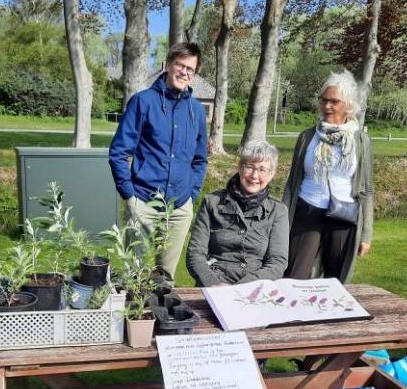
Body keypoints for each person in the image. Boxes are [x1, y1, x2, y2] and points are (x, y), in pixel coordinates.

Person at [109, 42, 209, 284]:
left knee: (165, 278)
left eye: (190, 69)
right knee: (137, 274)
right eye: (180, 65)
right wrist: (129, 195)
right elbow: (119, 152)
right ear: (168, 65)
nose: (184, 72)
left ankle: (161, 321)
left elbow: (200, 158)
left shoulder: (196, 110)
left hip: (179, 208)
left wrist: (191, 193)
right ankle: (134, 321)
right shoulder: (143, 102)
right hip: (144, 202)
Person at [282, 70, 373, 283]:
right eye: (324, 100)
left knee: (335, 281)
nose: (327, 106)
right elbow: (291, 184)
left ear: (348, 105)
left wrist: (366, 234)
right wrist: (281, 221)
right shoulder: (307, 137)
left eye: (334, 101)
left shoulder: (360, 141)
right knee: (295, 276)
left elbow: (367, 188)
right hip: (307, 210)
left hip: (343, 215)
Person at [186, 140, 288, 287]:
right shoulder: (212, 202)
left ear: (271, 174)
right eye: (249, 167)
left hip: (255, 288)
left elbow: (277, 263)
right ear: (240, 168)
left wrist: (242, 288)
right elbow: (195, 253)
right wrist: (213, 283)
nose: (254, 175)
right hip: (214, 285)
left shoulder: (278, 211)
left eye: (262, 169)